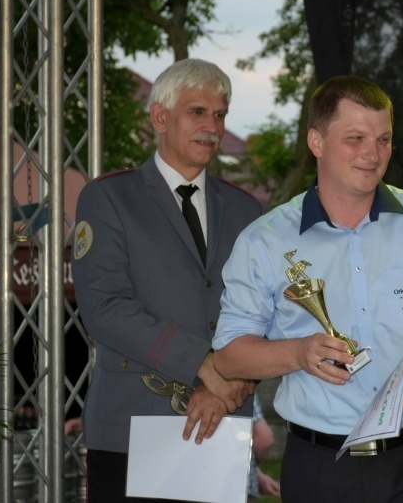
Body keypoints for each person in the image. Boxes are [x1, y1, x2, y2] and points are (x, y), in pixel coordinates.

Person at [212, 75, 403, 503]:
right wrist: (298, 353)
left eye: (383, 139)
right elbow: (229, 357)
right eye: (355, 138)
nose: (373, 154)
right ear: (316, 142)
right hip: (320, 466)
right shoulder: (263, 241)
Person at [71, 58, 263, 503]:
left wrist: (225, 385)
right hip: (133, 428)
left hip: (222, 423)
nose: (212, 126)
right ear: (160, 116)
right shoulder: (108, 198)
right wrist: (204, 364)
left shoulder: (246, 210)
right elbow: (105, 309)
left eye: (220, 114)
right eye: (198, 112)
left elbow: (264, 313)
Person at [247, 394, 281, 501]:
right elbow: (264, 438)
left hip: (201, 485)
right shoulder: (240, 387)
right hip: (238, 487)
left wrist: (257, 474)